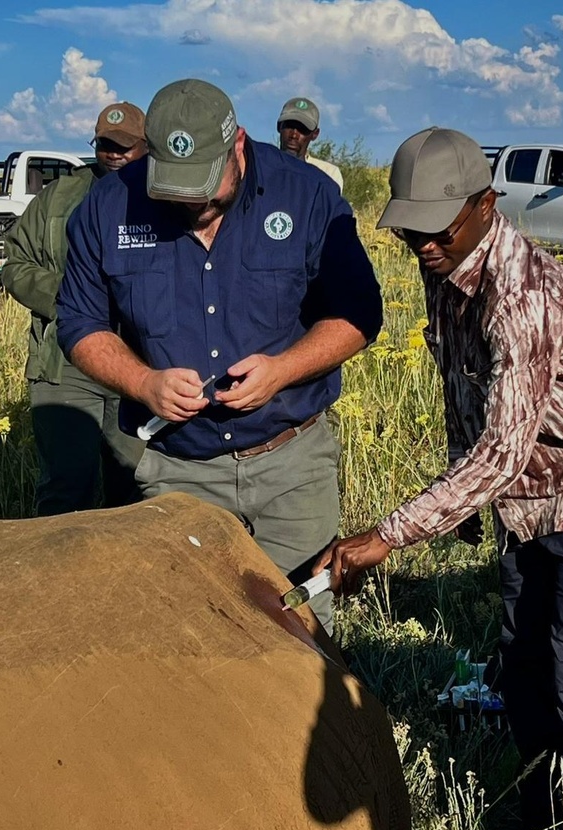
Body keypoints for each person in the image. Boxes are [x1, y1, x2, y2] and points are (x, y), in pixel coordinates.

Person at [317, 127, 563, 830]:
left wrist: (385, 536)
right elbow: (460, 382)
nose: (422, 246)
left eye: (436, 229)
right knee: (523, 670)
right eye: (409, 230)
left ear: (486, 204)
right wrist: (464, 489)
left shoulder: (521, 294)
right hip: (524, 495)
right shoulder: (444, 266)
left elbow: (503, 450)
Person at [56, 79, 382, 633]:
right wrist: (143, 383)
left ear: (238, 145)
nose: (194, 205)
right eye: (177, 190)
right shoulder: (107, 208)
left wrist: (282, 371)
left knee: (300, 631)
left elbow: (359, 314)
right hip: (179, 472)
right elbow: (79, 323)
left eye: (206, 187)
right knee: (188, 633)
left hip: (292, 467)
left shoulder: (306, 195)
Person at [2, 102, 148, 515]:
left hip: (137, 361)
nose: (113, 154)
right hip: (64, 359)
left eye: (124, 146)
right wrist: (71, 296)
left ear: (147, 146)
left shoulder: (162, 195)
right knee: (67, 485)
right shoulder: (58, 196)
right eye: (104, 144)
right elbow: (15, 263)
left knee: (135, 483)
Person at [277, 96, 344, 192]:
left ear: (315, 134)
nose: (294, 135)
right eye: (289, 126)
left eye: (302, 129)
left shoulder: (329, 173)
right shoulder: (260, 165)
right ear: (279, 127)